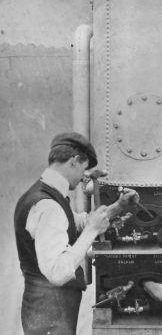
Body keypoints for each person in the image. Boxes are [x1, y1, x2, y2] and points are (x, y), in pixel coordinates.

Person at [14, 132, 139, 335]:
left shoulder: (43, 193)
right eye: (84, 168)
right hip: (51, 310)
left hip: (44, 305)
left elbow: (74, 222)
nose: (84, 176)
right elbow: (57, 272)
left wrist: (117, 207)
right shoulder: (48, 206)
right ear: (74, 161)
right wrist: (92, 231)